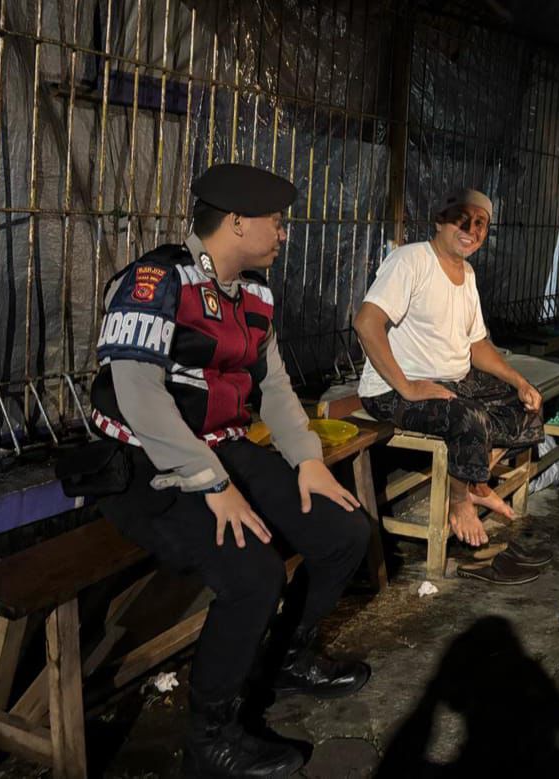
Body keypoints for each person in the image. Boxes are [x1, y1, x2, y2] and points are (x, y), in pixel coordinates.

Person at [90, 163, 371, 777]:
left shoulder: (255, 294)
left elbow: (274, 386)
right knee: (253, 575)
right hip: (145, 461)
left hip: (225, 446)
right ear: (238, 222)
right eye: (276, 221)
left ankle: (285, 660)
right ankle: (210, 737)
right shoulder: (156, 282)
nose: (283, 233)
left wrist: (307, 461)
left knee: (344, 531)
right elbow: (139, 398)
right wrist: (211, 483)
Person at [353, 189, 544, 553]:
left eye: (481, 224)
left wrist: (519, 382)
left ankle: (474, 483)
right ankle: (460, 502)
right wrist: (407, 387)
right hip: (392, 390)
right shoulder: (410, 260)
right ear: (440, 221)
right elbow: (366, 323)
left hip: (454, 382)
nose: (471, 230)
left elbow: (477, 345)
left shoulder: (467, 273)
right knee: (469, 419)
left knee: (528, 406)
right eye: (462, 219)